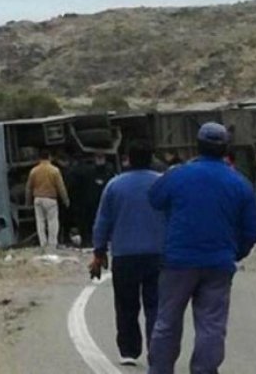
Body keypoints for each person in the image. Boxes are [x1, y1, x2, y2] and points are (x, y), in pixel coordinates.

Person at [147, 122, 256, 374]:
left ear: (197, 145)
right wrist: (234, 251)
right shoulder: (239, 182)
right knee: (212, 325)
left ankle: (160, 369)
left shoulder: (179, 175)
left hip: (177, 261)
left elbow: (154, 198)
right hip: (219, 263)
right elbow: (252, 230)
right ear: (225, 149)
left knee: (167, 321)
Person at [91, 141, 165, 366]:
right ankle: (157, 348)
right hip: (158, 254)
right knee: (156, 305)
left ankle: (129, 350)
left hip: (124, 255)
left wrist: (99, 251)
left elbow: (103, 221)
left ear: (128, 159)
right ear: (151, 158)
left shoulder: (114, 186)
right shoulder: (162, 184)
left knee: (126, 305)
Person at [26, 148, 70, 249]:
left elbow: (29, 187)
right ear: (49, 157)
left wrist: (27, 201)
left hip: (37, 199)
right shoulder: (54, 170)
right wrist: (65, 200)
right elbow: (61, 187)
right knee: (52, 221)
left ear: (39, 158)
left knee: (40, 221)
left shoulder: (34, 171)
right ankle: (52, 243)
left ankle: (43, 243)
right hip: (50, 199)